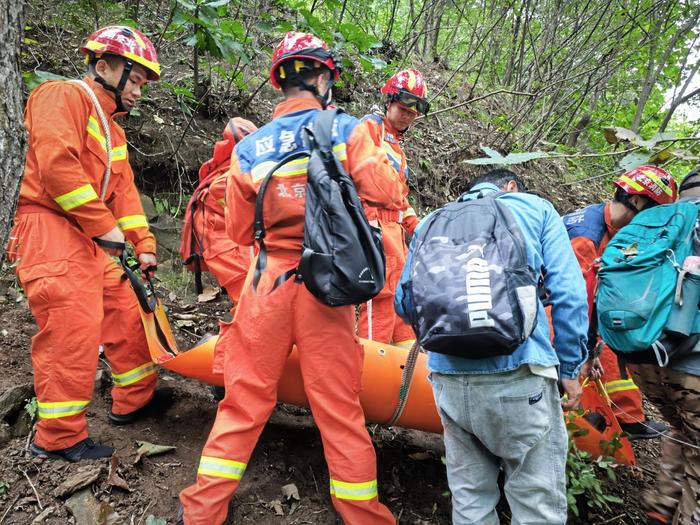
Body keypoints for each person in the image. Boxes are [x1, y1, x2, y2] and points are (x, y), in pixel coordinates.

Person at [177, 31, 401, 525]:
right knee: (339, 406)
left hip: (265, 282)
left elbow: (237, 229)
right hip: (326, 281)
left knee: (243, 400)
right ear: (323, 78)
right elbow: (389, 192)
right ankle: (363, 515)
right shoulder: (345, 128)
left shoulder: (250, 145)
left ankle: (202, 510)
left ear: (280, 81)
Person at [5, 26, 171, 462]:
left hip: (89, 235)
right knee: (72, 325)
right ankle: (58, 439)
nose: (139, 91)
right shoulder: (61, 96)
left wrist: (144, 242)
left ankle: (135, 397)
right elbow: (57, 165)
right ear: (103, 67)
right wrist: (105, 228)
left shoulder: (112, 132)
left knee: (126, 305)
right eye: (134, 80)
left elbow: (125, 194)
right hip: (48, 227)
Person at [396, 169, 589, 524]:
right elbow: (571, 295)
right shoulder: (536, 209)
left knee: (470, 498)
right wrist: (570, 370)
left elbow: (403, 302)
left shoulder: (433, 221)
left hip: (448, 378)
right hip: (521, 372)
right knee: (536, 503)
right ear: (512, 185)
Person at [563, 165, 677, 439]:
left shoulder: (615, 230)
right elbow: (573, 299)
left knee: (618, 330)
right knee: (603, 342)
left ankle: (627, 417)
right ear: (636, 201)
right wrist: (588, 350)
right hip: (550, 308)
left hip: (580, 307)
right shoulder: (586, 234)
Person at [627, 167, 700, 525]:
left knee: (681, 426)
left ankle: (660, 509)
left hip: (644, 360)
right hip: (693, 366)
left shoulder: (657, 218)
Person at [356, 69, 426, 348]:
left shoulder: (395, 144)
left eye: (413, 112)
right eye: (403, 108)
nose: (407, 115)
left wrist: (417, 227)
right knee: (381, 295)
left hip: (393, 230)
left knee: (402, 290)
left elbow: (400, 195)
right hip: (374, 225)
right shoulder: (369, 129)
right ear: (389, 102)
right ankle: (373, 356)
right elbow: (358, 179)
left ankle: (406, 353)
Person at [179, 117, 257, 304]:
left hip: (223, 232)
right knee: (248, 296)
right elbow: (221, 192)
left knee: (252, 291)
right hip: (218, 233)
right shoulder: (233, 173)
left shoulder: (229, 168)